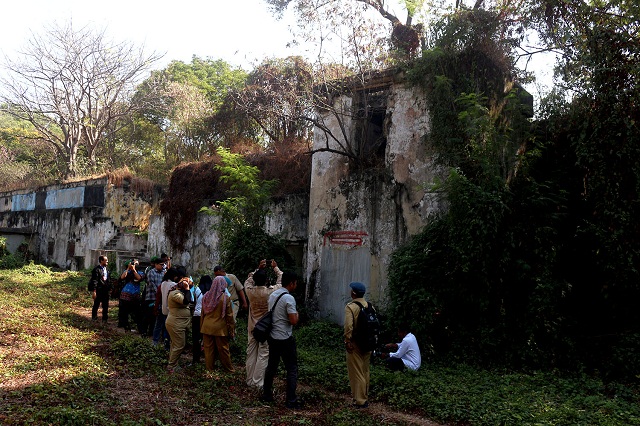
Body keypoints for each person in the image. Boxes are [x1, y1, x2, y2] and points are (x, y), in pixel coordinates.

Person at [261, 271, 301, 409]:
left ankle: (266, 394)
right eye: (295, 283)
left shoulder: (273, 295)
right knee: (291, 369)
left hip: (273, 336)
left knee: (271, 366)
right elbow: (293, 320)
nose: (296, 285)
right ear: (291, 283)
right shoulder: (289, 299)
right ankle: (291, 400)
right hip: (285, 337)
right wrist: (297, 314)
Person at [244, 259, 283, 388]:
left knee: (251, 352)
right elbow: (281, 281)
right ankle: (257, 382)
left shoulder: (249, 290)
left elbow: (249, 279)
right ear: (266, 281)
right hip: (265, 328)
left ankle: (249, 380)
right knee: (263, 353)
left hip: (252, 325)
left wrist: (258, 268)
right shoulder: (270, 292)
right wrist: (275, 268)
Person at [344, 281, 372, 408]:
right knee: (365, 371)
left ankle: (360, 401)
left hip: (355, 344)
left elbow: (349, 326)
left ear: (353, 293)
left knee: (357, 371)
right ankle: (365, 396)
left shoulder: (351, 307)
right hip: (368, 343)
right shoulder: (369, 306)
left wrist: (347, 340)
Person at [200, 275, 235, 372]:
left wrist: (201, 326)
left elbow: (203, 313)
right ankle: (229, 369)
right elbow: (229, 316)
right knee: (224, 349)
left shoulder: (206, 296)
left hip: (206, 327)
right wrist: (231, 329)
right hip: (220, 328)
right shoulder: (225, 298)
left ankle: (209, 369)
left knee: (208, 350)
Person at [165, 274, 192, 373]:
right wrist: (187, 288)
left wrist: (187, 288)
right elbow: (186, 301)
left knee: (175, 345)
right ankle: (171, 366)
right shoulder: (175, 294)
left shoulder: (179, 292)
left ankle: (173, 363)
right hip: (176, 323)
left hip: (179, 322)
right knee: (179, 345)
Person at [117, 259, 144, 332]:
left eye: (136, 263)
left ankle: (141, 330)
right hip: (125, 296)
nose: (134, 265)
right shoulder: (127, 272)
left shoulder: (140, 272)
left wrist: (134, 269)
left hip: (135, 296)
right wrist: (128, 268)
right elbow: (122, 277)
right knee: (124, 314)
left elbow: (139, 278)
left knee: (138, 314)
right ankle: (127, 328)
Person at [142, 257, 164, 338]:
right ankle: (144, 331)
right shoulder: (151, 272)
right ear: (156, 264)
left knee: (155, 316)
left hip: (158, 299)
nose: (162, 266)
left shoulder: (163, 273)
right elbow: (151, 284)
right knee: (148, 315)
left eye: (163, 265)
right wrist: (159, 293)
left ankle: (151, 332)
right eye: (161, 265)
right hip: (151, 297)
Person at [89, 255, 111, 323]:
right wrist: (94, 291)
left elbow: (109, 280)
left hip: (105, 290)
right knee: (96, 304)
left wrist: (110, 288)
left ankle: (105, 319)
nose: (107, 261)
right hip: (99, 290)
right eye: (105, 260)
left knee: (105, 305)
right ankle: (94, 318)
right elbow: (94, 281)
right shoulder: (96, 270)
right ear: (101, 261)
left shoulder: (107, 270)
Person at [190, 275, 206, 364]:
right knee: (206, 338)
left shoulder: (197, 290)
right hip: (207, 317)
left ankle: (195, 359)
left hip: (197, 316)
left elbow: (193, 302)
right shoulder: (212, 291)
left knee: (196, 338)